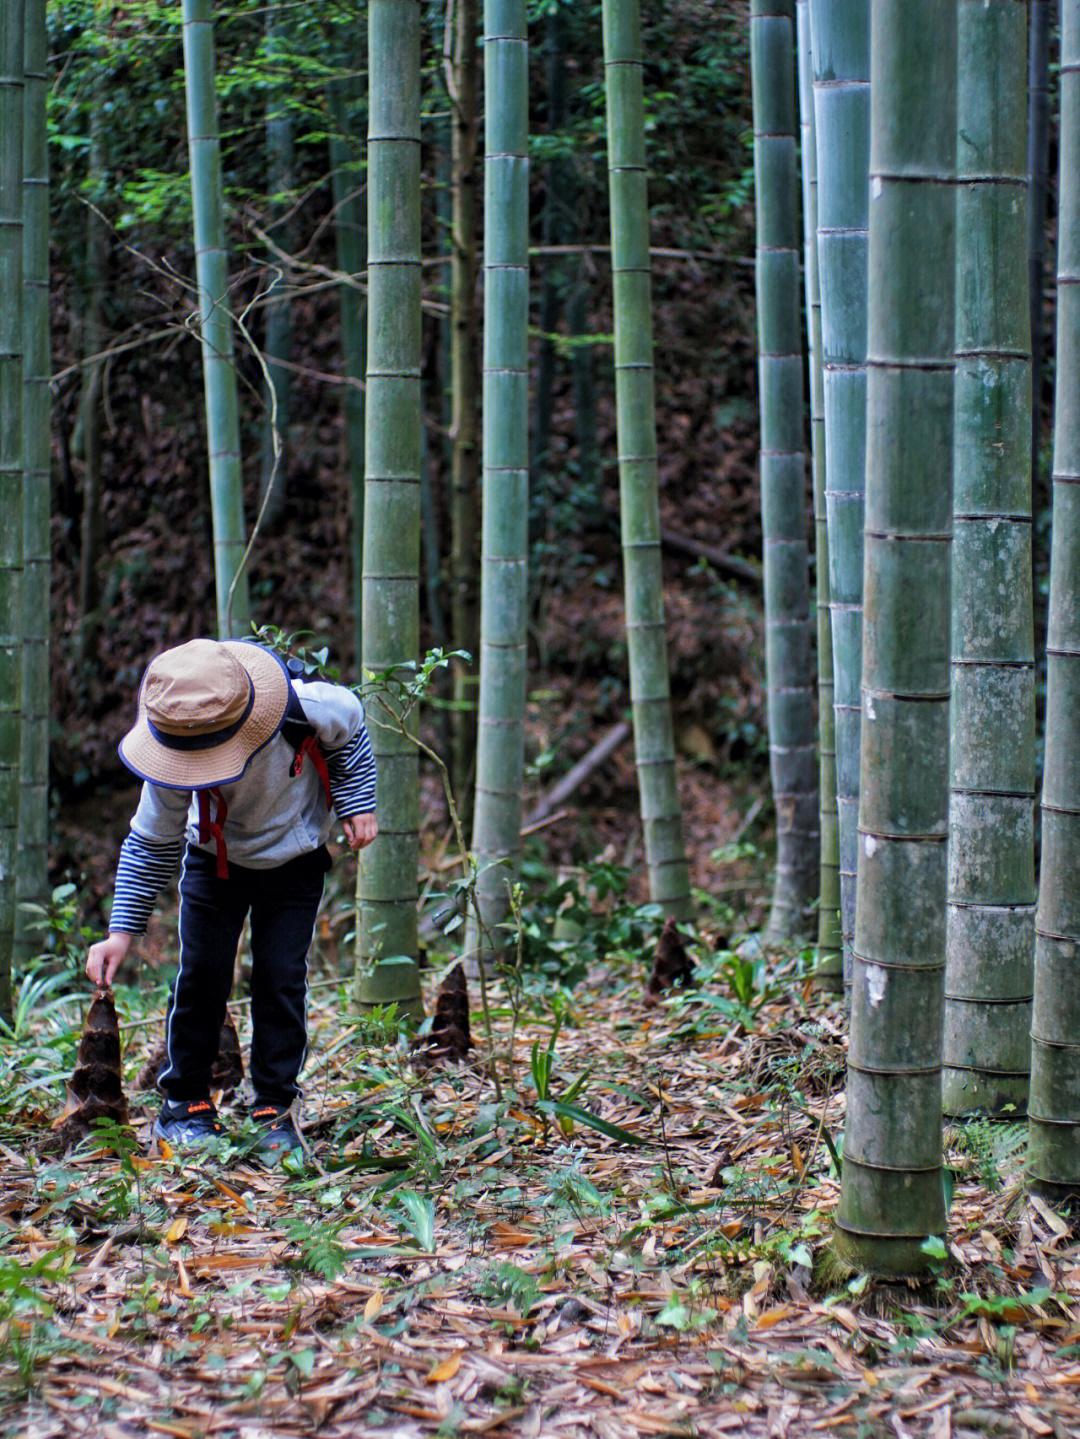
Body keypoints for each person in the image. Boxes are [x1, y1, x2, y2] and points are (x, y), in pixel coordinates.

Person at [86, 637, 378, 1159]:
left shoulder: (307, 707)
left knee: (280, 978)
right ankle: (185, 1105)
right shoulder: (177, 745)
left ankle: (274, 1105)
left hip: (296, 858)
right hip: (212, 859)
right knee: (201, 976)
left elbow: (351, 729)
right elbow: (151, 841)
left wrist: (357, 803)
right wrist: (121, 932)